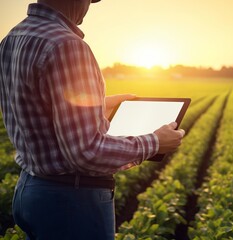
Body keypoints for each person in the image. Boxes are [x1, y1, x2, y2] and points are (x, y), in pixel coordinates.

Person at [0, 0, 185, 239]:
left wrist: (100, 105)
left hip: (30, 190)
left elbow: (36, 104)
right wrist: (155, 143)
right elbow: (86, 152)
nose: (89, 5)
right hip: (71, 200)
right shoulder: (66, 45)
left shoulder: (13, 37)